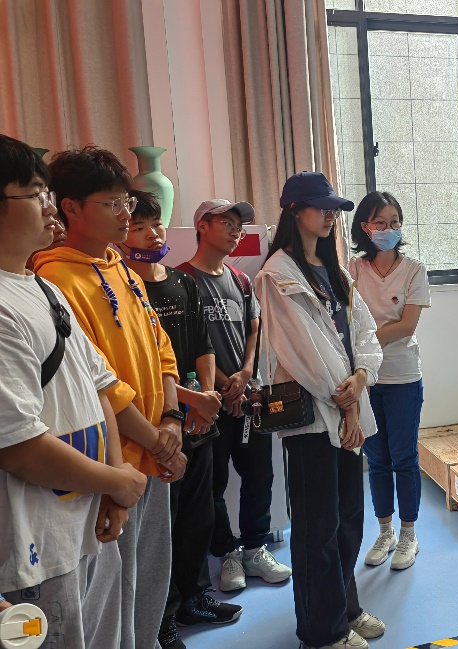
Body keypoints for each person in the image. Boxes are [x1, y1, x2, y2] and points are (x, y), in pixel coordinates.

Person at [32, 146, 186, 649]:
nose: (125, 214)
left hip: (154, 451)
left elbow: (161, 348)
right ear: (70, 207)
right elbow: (100, 384)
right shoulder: (56, 279)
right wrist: (157, 440)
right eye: (111, 203)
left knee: (151, 582)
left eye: (126, 202)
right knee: (114, 598)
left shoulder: (121, 267)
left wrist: (171, 418)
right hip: (112, 462)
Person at [0, 135, 147, 648]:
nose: (49, 206)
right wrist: (116, 480)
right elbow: (19, 447)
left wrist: (112, 486)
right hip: (33, 549)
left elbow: (100, 386)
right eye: (33, 193)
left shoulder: (42, 288)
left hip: (87, 520)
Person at [255, 172, 385, 649]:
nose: (331, 216)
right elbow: (302, 353)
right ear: (294, 211)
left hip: (349, 407)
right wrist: (346, 403)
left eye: (334, 209)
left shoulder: (335, 271)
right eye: (321, 207)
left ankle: (344, 609)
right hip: (313, 418)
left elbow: (365, 333)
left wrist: (363, 375)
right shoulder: (276, 274)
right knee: (317, 528)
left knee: (349, 517)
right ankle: (321, 631)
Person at [122, 190, 242, 649]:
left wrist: (206, 399)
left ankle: (194, 596)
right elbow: (141, 367)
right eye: (140, 227)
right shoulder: (124, 289)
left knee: (198, 517)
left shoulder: (180, 281)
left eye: (155, 225)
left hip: (197, 421)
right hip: (157, 426)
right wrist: (190, 401)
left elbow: (203, 345)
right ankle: (162, 616)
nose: (152, 234)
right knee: (162, 530)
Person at [177, 199, 291, 592]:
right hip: (210, 404)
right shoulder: (182, 281)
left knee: (260, 475)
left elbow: (254, 329)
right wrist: (226, 385)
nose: (235, 231)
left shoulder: (241, 280)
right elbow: (187, 345)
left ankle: (255, 547)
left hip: (249, 400)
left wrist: (245, 375)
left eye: (238, 225)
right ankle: (226, 552)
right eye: (226, 222)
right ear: (202, 226)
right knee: (213, 483)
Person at [348, 191, 430, 571]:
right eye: (380, 222)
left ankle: (409, 533)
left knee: (404, 457)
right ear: (365, 227)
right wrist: (361, 357)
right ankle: (385, 532)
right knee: (377, 460)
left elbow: (406, 326)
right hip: (365, 381)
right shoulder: (353, 269)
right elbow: (345, 319)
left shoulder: (413, 269)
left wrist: (364, 345)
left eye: (394, 222)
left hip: (402, 377)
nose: (388, 228)